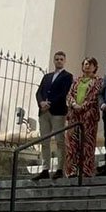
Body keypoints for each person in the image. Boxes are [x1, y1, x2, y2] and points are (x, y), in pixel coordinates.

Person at [33, 50, 73, 180]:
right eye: (57, 59)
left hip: (58, 112)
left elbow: (63, 93)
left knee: (59, 141)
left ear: (64, 61)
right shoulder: (47, 77)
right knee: (44, 141)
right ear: (54, 61)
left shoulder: (67, 76)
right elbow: (39, 92)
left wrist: (50, 103)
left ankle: (60, 168)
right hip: (44, 112)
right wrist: (41, 103)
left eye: (61, 59)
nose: (59, 61)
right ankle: (45, 169)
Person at [64, 57, 103, 179]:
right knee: (72, 143)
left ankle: (86, 170)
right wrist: (74, 104)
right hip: (74, 115)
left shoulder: (98, 81)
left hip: (88, 116)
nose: (87, 66)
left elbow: (94, 95)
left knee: (87, 144)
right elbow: (69, 95)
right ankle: (72, 170)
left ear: (95, 67)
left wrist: (83, 106)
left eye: (90, 64)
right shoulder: (76, 81)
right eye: (85, 64)